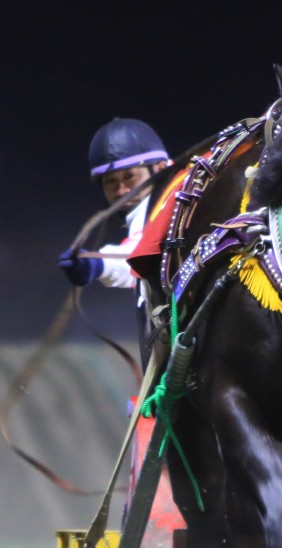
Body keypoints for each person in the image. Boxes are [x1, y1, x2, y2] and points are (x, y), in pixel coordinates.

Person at [58, 117, 171, 367]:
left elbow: (141, 257)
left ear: (160, 167)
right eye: (111, 181)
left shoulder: (168, 202)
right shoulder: (162, 199)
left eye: (130, 177)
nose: (121, 190)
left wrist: (97, 265)